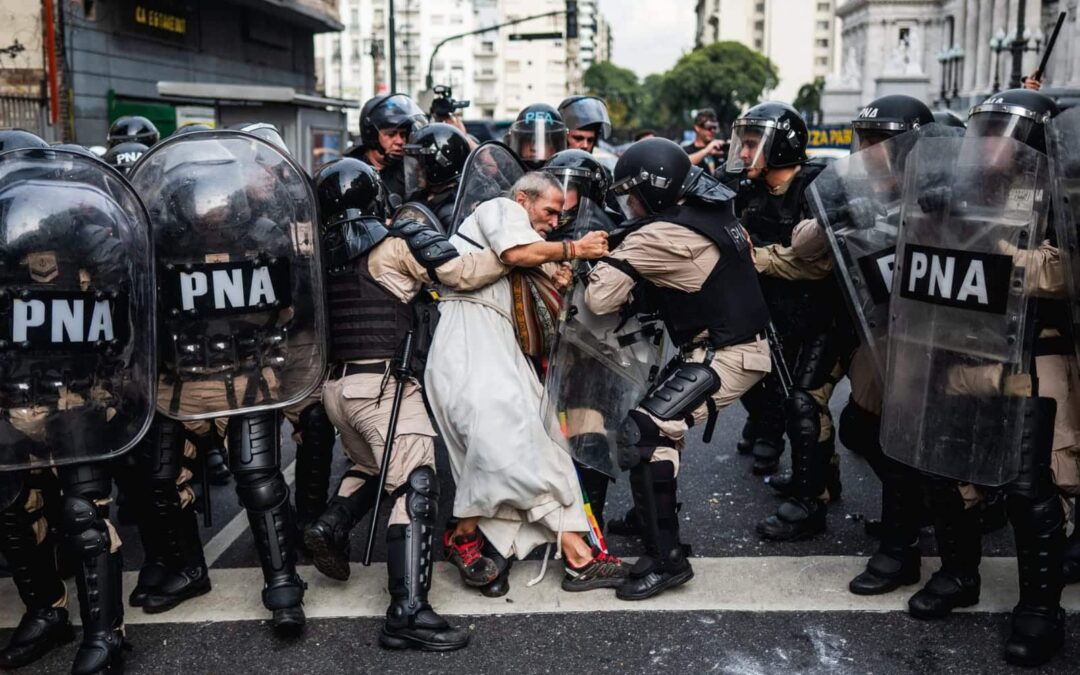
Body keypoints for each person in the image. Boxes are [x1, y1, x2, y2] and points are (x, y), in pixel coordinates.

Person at [884, 88, 1067, 667]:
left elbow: (1059, 272)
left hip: (1029, 357)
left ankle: (1040, 609)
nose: (984, 141)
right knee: (942, 467)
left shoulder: (1061, 193)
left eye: (998, 130)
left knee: (1025, 486)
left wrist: (992, 242)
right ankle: (959, 575)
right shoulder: (956, 190)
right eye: (980, 128)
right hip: (957, 348)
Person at [305, 158, 513, 650]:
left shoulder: (316, 253)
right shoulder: (393, 245)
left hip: (336, 391)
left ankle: (330, 526)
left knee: (369, 465)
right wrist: (511, 253)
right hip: (383, 388)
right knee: (415, 485)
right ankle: (407, 612)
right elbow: (460, 275)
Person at [130, 130, 325, 635]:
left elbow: (297, 304)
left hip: (244, 374)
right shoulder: (157, 240)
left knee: (258, 481)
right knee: (160, 481)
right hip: (179, 379)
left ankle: (283, 584)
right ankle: (189, 569)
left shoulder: (263, 233)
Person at [585, 137, 773, 599]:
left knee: (645, 430)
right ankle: (650, 515)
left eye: (632, 195)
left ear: (652, 192)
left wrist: (605, 257)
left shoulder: (657, 234)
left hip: (726, 353)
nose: (629, 205)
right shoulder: (712, 213)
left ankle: (666, 559)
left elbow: (598, 298)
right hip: (724, 343)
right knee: (658, 428)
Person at [425, 169, 624, 597]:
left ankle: (574, 555)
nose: (555, 221)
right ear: (522, 200)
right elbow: (515, 254)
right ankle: (468, 538)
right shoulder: (498, 209)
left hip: (497, 344)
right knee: (498, 447)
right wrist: (575, 248)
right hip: (469, 339)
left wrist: (558, 273)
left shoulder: (526, 238)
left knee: (542, 448)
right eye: (550, 211)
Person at [1, 135, 158, 673]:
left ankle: (104, 632)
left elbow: (126, 304)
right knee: (14, 511)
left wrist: (109, 373)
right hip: (13, 395)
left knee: (83, 513)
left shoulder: (88, 233)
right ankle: (45, 611)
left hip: (76, 392)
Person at [726, 102, 834, 481]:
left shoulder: (816, 190)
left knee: (803, 402)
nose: (742, 152)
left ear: (780, 147)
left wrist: (761, 260)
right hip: (764, 308)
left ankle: (818, 484)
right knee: (749, 375)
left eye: (752, 143)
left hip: (815, 314)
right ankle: (764, 428)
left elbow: (819, 263)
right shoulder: (747, 190)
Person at [349, 94, 428, 203]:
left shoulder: (410, 169)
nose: (400, 141)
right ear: (372, 135)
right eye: (391, 134)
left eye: (403, 135)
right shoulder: (352, 171)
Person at [401, 122, 472, 228]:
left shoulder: (453, 211)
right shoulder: (422, 195)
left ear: (438, 163)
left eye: (420, 162)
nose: (416, 168)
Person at [506, 103, 567, 169]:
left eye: (543, 141)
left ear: (555, 147)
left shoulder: (566, 177)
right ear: (520, 145)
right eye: (528, 141)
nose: (534, 148)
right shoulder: (509, 175)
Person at [681, 108, 725, 175]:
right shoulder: (686, 150)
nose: (712, 130)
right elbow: (682, 164)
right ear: (697, 128)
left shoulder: (719, 149)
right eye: (708, 127)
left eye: (715, 127)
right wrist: (706, 151)